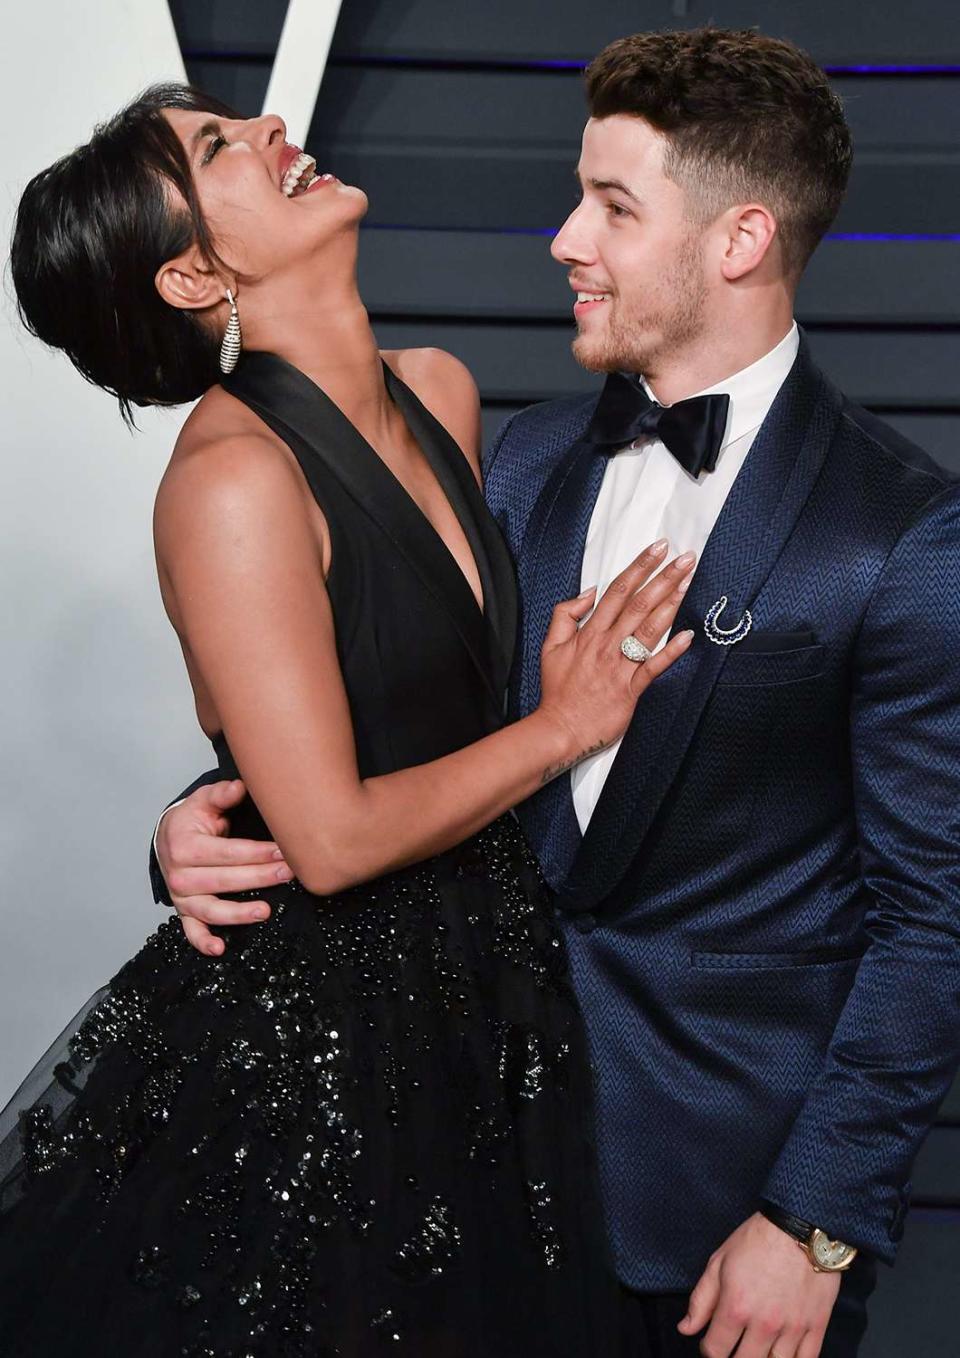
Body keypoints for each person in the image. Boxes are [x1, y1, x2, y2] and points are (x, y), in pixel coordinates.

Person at [157, 27, 960, 1358]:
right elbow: (397, 721)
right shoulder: (515, 461)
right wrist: (211, 818)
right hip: (452, 1165)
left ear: (740, 241)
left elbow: (934, 920)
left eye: (612, 206)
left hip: (721, 1227)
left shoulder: (899, 533)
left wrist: (816, 1221)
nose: (562, 239)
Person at [0, 80, 699, 1356]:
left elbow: (394, 705)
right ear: (191, 278)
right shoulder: (229, 482)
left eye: (233, 119)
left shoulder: (440, 388)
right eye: (218, 148)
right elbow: (324, 837)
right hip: (327, 1041)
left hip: (498, 1001)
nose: (269, 127)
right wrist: (565, 720)